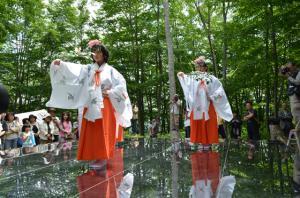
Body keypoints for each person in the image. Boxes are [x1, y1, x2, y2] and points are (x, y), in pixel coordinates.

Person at [46, 39, 132, 168]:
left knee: (104, 130)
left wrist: (109, 92)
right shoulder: (88, 69)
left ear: (104, 54)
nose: (96, 55)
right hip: (90, 104)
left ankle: (103, 156)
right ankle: (94, 155)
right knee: (92, 131)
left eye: (98, 52)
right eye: (94, 53)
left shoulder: (112, 71)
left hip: (105, 104)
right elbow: (75, 70)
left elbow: (122, 86)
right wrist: (62, 65)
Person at [177, 56, 233, 150]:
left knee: (208, 123)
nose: (199, 68)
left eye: (201, 66)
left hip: (208, 105)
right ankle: (199, 143)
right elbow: (186, 81)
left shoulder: (212, 78)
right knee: (197, 123)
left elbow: (220, 92)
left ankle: (208, 144)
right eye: (197, 66)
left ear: (205, 67)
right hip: (197, 106)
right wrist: (182, 76)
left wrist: (210, 96)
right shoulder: (193, 77)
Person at [280, 61, 300, 193]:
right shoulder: (293, 74)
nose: (288, 69)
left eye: (289, 66)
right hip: (295, 102)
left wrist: (288, 76)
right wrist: (284, 72)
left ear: (293, 65)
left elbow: (297, 83)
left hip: (297, 102)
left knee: (297, 117)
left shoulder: (297, 74)